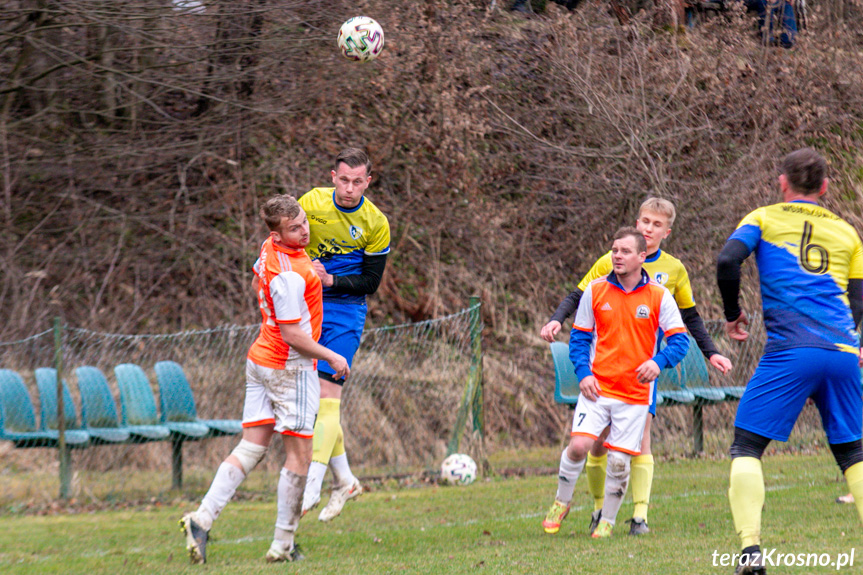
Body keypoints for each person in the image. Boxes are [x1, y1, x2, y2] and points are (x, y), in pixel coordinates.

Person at [540, 197, 732, 535]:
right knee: (595, 443)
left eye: (656, 224)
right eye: (645, 221)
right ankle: (598, 508)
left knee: (639, 441)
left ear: (666, 232)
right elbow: (578, 297)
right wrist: (557, 320)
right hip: (606, 367)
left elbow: (689, 319)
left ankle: (638, 516)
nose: (648, 227)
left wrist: (711, 352)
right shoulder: (610, 262)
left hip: (645, 369)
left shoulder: (672, 271)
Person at [179, 195, 350, 564]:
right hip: (288, 367)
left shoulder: (270, 249)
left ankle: (201, 519)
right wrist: (332, 355)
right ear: (277, 232)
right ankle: (283, 545)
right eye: (294, 228)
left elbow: (265, 289)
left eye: (304, 222)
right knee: (300, 457)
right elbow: (292, 334)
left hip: (259, 358)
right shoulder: (289, 276)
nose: (304, 231)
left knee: (252, 447)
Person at [717, 148, 863, 574]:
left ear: (782, 183)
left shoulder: (763, 218)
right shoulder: (849, 233)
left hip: (790, 351)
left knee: (747, 445)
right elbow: (859, 299)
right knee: (854, 453)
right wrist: (849, 345)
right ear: (825, 187)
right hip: (841, 352)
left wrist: (732, 314)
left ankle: (750, 551)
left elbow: (728, 260)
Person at [542, 227, 689, 538]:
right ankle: (561, 501)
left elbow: (680, 343)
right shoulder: (595, 291)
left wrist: (657, 362)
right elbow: (579, 340)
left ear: (641, 256)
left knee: (621, 461)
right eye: (614, 250)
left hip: (635, 394)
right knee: (580, 445)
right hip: (597, 389)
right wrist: (583, 374)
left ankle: (607, 521)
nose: (617, 256)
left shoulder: (659, 296)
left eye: (624, 251)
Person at [298, 148, 390, 522]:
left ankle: (311, 485)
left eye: (358, 182)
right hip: (308, 307)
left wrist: (331, 279)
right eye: (344, 180)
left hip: (346, 312)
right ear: (332, 176)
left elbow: (371, 282)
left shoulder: (375, 222)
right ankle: (346, 480)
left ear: (368, 182)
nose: (350, 189)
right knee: (316, 401)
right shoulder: (311, 202)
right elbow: (290, 243)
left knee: (327, 396)